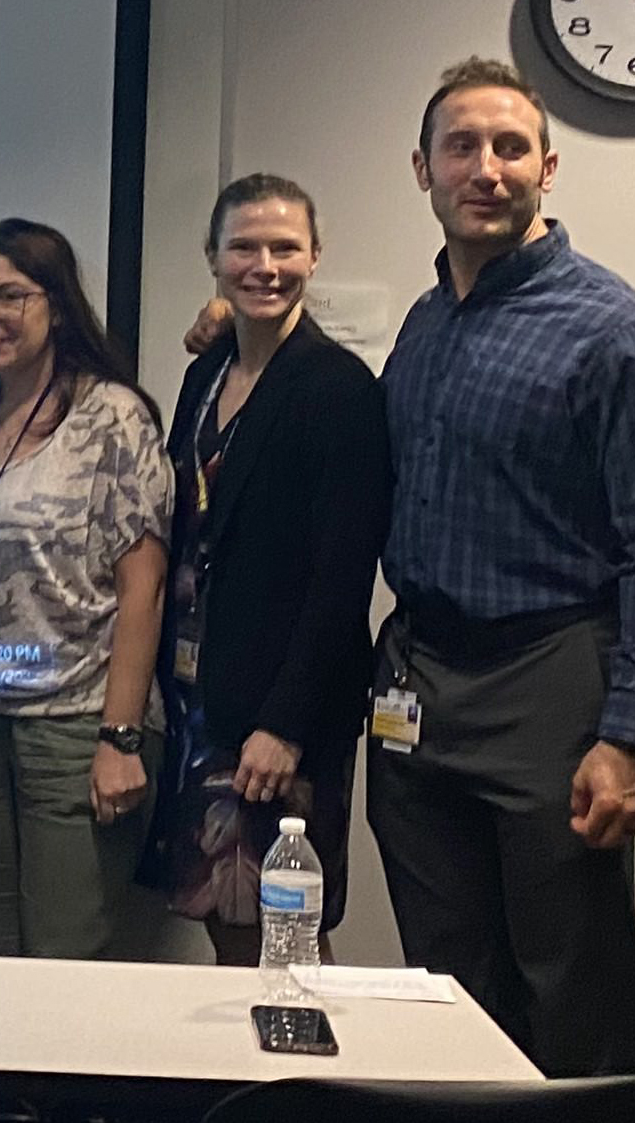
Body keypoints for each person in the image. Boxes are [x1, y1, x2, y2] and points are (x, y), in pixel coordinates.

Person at [365, 58, 635, 1075]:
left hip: (551, 679)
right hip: (417, 679)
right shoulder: (426, 321)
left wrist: (627, 733)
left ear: (546, 168)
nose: (485, 168)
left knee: (572, 982)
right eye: (460, 147)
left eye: (508, 147)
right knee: (444, 984)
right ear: (420, 170)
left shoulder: (614, 333)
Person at [136, 174, 388, 965]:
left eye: (285, 247)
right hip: (204, 700)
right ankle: (258, 1085)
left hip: (279, 712)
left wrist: (285, 725)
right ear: (212, 257)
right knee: (225, 918)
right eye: (244, 246)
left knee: (282, 932)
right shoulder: (204, 377)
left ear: (316, 256)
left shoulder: (338, 388)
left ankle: (301, 1088)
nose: (265, 265)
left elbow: (340, 577)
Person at [0, 218, 169, 959]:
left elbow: (143, 588)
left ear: (55, 304)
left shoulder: (110, 416)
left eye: (9, 295)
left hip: (76, 724)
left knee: (63, 959)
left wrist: (120, 739)